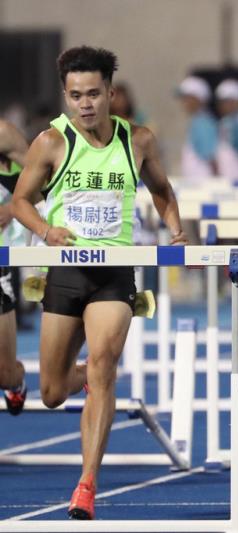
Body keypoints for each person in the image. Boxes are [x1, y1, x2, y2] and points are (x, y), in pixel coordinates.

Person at [11, 45, 187, 520]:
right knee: (49, 392)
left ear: (111, 93)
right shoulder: (50, 142)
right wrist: (47, 230)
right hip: (65, 274)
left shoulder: (138, 141)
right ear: (65, 97)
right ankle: (89, 380)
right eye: (75, 95)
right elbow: (21, 202)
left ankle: (86, 484)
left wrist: (175, 228)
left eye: (93, 93)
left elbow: (162, 190)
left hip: (114, 274)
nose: (85, 104)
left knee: (104, 363)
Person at [0, 119, 30, 415]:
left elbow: (51, 177)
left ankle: (15, 380)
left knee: (3, 372)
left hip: (0, 261)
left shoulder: (4, 134)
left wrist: (12, 208)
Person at [177, 75, 218, 182]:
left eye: (187, 98)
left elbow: (211, 158)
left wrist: (216, 182)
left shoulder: (203, 123)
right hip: (196, 182)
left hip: (202, 183)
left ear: (199, 99)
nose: (183, 103)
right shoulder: (198, 121)